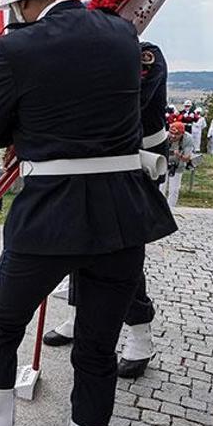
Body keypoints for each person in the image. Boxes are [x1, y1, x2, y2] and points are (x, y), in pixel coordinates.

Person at [0, 0, 177, 426]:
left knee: (1, 330)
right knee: (97, 349)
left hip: (49, 214)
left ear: (22, 0)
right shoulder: (123, 36)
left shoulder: (16, 47)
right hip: (122, 214)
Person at [43, 41, 172, 380]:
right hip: (91, 159)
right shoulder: (86, 54)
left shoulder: (145, 53)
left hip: (136, 161)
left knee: (122, 244)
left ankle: (140, 334)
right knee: (79, 238)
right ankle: (78, 314)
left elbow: (130, 101)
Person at [161, 122, 194, 208]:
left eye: (177, 134)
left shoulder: (188, 139)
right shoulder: (164, 136)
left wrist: (180, 156)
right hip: (163, 163)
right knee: (161, 187)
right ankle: (160, 208)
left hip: (177, 165)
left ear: (182, 134)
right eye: (171, 133)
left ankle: (171, 209)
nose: (173, 136)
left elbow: (187, 158)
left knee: (174, 190)